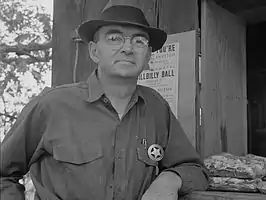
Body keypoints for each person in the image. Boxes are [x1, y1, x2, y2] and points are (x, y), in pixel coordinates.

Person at [0, 4, 209, 200]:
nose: (128, 48)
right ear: (93, 51)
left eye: (139, 41)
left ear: (148, 58)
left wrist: (170, 179)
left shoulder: (156, 108)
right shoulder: (51, 105)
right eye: (114, 38)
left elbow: (194, 169)